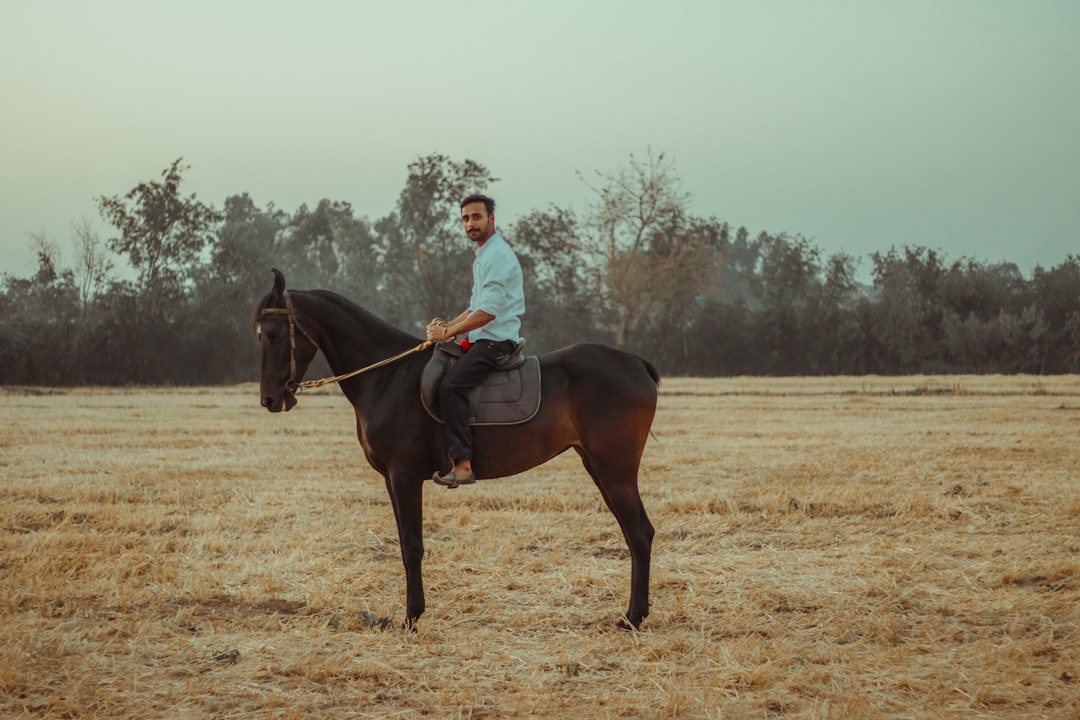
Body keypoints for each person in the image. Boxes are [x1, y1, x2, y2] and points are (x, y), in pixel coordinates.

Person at [426, 193, 525, 488]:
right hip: (483, 337)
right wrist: (447, 327)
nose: (471, 223)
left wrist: (449, 333)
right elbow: (474, 306)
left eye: (476, 217)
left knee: (452, 386)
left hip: (496, 341)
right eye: (466, 219)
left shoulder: (495, 256)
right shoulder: (484, 254)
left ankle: (463, 465)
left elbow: (488, 313)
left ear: (491, 219)